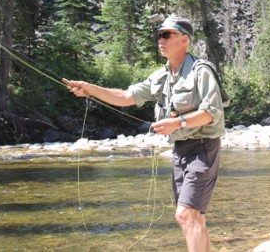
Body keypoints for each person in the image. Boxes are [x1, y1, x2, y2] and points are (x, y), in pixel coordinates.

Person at [63, 15, 226, 252]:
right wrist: (90, 89)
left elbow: (212, 113)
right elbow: (127, 97)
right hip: (180, 150)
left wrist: (177, 123)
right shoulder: (162, 76)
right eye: (159, 35)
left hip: (203, 148)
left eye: (167, 34)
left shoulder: (201, 71)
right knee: (194, 216)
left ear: (184, 40)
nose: (161, 39)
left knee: (185, 214)